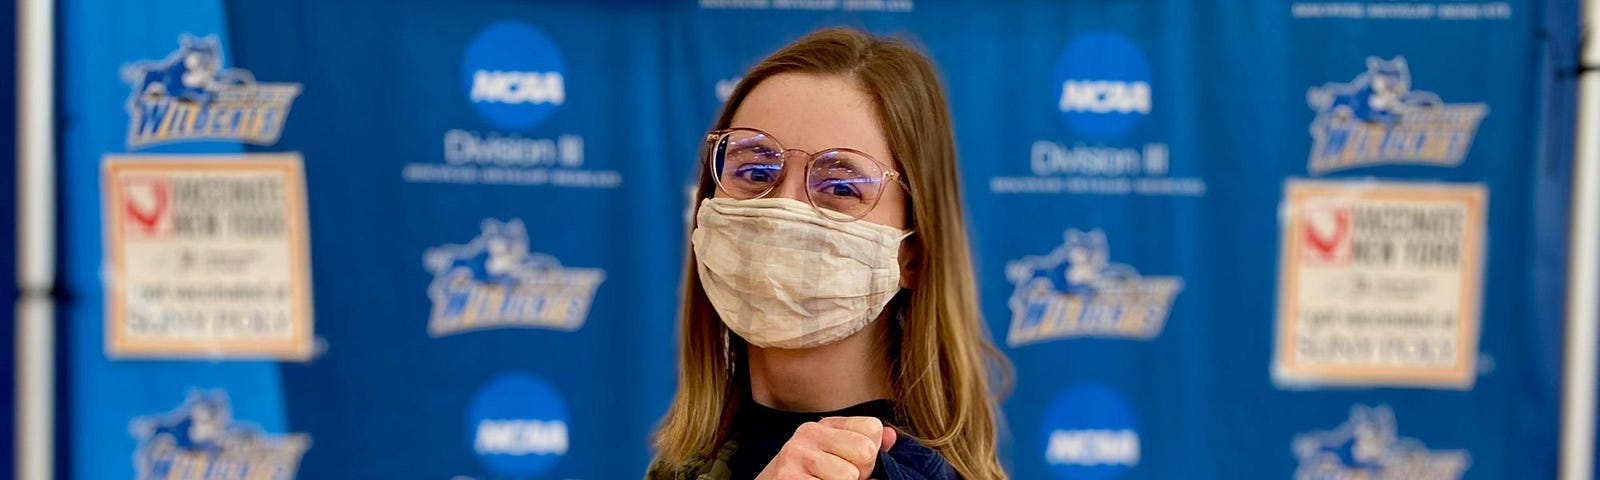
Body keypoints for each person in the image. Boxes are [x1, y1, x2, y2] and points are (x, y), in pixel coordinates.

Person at [647, 27, 1010, 480]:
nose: (783, 210)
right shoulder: (684, 468)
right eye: (756, 171)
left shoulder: (911, 472)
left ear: (912, 255)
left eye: (841, 187)